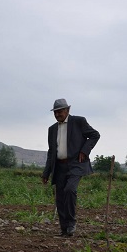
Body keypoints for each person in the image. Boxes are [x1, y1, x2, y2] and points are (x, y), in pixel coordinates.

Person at [41, 98, 100, 236]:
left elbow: (94, 135)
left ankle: (71, 223)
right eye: (55, 112)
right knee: (60, 197)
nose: (57, 115)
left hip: (75, 165)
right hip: (59, 166)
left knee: (70, 189)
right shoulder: (52, 129)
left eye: (60, 111)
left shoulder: (79, 122)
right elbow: (51, 152)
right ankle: (64, 229)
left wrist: (84, 151)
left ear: (67, 110)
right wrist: (46, 172)